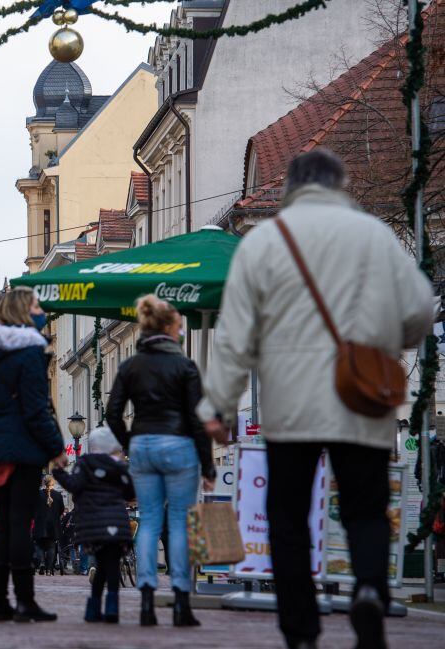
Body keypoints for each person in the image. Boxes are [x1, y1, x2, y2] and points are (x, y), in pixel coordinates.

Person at [197, 149, 435, 649]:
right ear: (340, 184)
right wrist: (389, 340)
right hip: (362, 396)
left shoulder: (264, 242)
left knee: (286, 516)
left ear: (291, 187)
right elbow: (419, 306)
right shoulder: (374, 235)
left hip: (291, 402)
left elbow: (236, 336)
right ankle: (368, 589)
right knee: (365, 508)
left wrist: (217, 406)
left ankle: (300, 630)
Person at [105, 292, 214, 628]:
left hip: (143, 444)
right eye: (179, 326)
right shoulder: (184, 365)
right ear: (169, 328)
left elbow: (112, 413)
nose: (181, 331)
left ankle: (147, 601)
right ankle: (181, 601)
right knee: (179, 522)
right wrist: (207, 463)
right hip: (179, 444)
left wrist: (129, 443)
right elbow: (198, 418)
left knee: (149, 521)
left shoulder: (130, 365)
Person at [0, 286, 67, 623]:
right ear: (25, 311)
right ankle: (25, 601)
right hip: (24, 446)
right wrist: (56, 448)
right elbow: (36, 407)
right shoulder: (28, 351)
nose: (42, 311)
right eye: (37, 306)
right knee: (20, 526)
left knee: (6, 525)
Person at [53, 427, 135, 624]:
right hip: (116, 524)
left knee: (100, 566)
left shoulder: (85, 463)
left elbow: (74, 485)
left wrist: (58, 472)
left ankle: (93, 608)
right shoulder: (119, 467)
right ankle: (112, 608)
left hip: (93, 526)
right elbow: (130, 492)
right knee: (112, 567)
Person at [33, 475, 64, 576]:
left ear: (43, 482)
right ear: (53, 483)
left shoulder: (37, 494)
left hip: (39, 525)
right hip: (53, 526)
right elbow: (61, 510)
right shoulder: (58, 495)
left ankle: (41, 562)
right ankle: (49, 569)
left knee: (39, 545)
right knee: (51, 547)